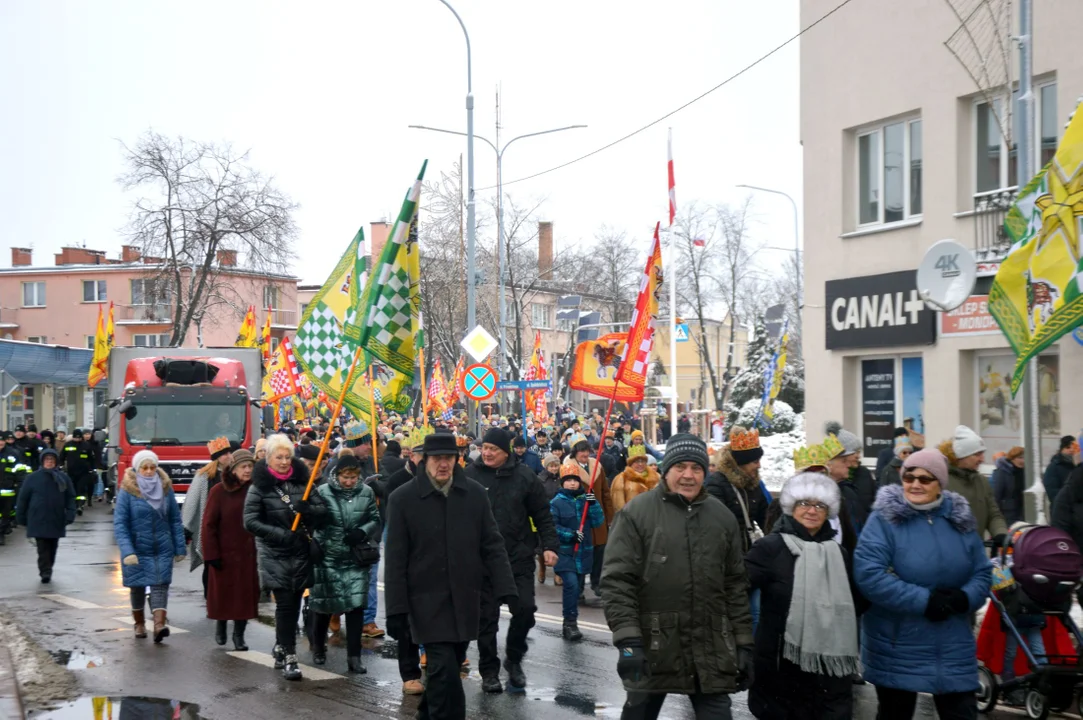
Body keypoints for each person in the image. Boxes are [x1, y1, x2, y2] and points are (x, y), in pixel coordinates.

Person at [601, 433, 754, 720]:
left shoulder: (721, 518)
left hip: (710, 647)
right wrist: (629, 642)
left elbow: (734, 585)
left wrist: (743, 641)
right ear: (666, 469)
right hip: (653, 644)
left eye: (696, 468)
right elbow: (617, 582)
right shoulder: (637, 514)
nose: (688, 475)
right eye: (680, 467)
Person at [384, 431, 518, 719]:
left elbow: (492, 544)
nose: (443, 464)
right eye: (437, 458)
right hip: (424, 601)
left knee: (447, 668)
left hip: (465, 598)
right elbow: (395, 560)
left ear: (457, 460)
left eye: (449, 458)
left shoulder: (473, 495)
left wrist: (506, 587)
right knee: (444, 668)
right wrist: (395, 610)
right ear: (424, 460)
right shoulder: (403, 499)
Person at [854, 448, 991, 720]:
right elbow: (870, 574)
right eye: (909, 476)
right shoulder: (883, 519)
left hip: (951, 640)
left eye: (925, 479)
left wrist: (964, 598)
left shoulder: (960, 519)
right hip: (898, 641)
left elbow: (983, 572)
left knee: (962, 712)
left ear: (940, 483)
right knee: (895, 713)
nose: (915, 484)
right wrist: (925, 601)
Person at [744, 472, 862, 719]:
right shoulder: (770, 548)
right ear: (791, 506)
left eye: (820, 505)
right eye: (804, 503)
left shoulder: (838, 554)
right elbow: (736, 591)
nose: (812, 511)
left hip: (829, 672)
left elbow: (854, 603)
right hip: (780, 670)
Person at [464, 427, 558, 693]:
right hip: (482, 560)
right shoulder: (470, 476)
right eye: (484, 448)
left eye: (493, 449)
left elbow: (542, 514)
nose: (487, 452)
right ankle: (489, 671)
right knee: (486, 620)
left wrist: (549, 545)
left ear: (506, 452)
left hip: (517, 556)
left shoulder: (525, 477)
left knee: (526, 611)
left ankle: (514, 660)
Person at [244, 433, 329, 680]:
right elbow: (250, 521)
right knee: (285, 604)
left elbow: (323, 512)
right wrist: (281, 535)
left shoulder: (304, 481)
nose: (283, 462)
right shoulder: (259, 487)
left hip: (302, 551)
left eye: (287, 457)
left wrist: (309, 510)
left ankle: (281, 645)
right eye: (278, 457)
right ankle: (291, 656)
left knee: (297, 601)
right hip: (275, 552)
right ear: (268, 459)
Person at [309, 453, 380, 674]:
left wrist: (362, 532)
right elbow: (314, 520)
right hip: (328, 557)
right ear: (337, 475)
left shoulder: (366, 493)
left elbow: (374, 518)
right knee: (323, 606)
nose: (348, 481)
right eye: (345, 477)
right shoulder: (323, 492)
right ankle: (319, 648)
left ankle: (354, 656)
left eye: (352, 477)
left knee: (356, 607)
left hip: (354, 558)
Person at [114, 450, 187, 643]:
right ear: (138, 469)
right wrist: (128, 551)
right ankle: (139, 623)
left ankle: (158, 625)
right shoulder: (127, 491)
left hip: (162, 546)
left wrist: (180, 548)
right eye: (144, 468)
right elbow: (120, 523)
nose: (148, 471)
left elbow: (174, 520)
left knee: (160, 585)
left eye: (152, 467)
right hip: (137, 548)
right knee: (137, 587)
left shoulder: (165, 488)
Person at [201, 448, 259, 651]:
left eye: (251, 466)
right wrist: (211, 554)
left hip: (248, 553)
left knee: (244, 597)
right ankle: (221, 625)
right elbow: (208, 525)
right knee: (224, 595)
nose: (248, 470)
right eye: (244, 466)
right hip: (224, 553)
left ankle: (239, 635)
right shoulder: (218, 491)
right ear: (233, 469)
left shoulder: (256, 490)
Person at [549, 469, 605, 641]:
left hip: (584, 552)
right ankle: (570, 623)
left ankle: (572, 619)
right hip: (565, 553)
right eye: (568, 480)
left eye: (575, 480)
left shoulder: (586, 500)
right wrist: (570, 534)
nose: (572, 483)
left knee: (577, 588)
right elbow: (552, 527)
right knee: (571, 585)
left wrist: (594, 504)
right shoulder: (556, 502)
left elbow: (597, 522)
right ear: (562, 482)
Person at [562, 439, 614, 605]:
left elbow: (605, 493)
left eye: (587, 451)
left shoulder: (597, 466)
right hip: (579, 519)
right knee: (581, 555)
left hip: (597, 518)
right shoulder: (569, 468)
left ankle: (596, 582)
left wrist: (610, 516)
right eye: (581, 452)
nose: (585, 455)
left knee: (600, 551)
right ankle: (578, 588)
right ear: (575, 453)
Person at [183, 436, 235, 598]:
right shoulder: (204, 476)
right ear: (216, 457)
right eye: (223, 453)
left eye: (229, 452)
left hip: (230, 526)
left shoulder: (236, 473)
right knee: (210, 562)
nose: (228, 456)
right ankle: (210, 595)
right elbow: (192, 502)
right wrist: (187, 527)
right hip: (210, 527)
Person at [939, 425, 1008, 545]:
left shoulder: (982, 482)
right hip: (950, 552)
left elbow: (993, 513)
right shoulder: (942, 481)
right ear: (961, 456)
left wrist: (1000, 533)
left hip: (976, 552)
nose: (982, 459)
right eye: (977, 454)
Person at [15, 448, 75, 581]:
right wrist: (20, 516)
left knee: (53, 546)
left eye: (52, 460)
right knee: (42, 548)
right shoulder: (32, 478)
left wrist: (71, 513)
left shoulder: (63, 478)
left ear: (56, 462)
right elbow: (23, 498)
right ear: (42, 461)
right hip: (38, 518)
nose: (49, 462)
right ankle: (45, 571)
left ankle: (49, 567)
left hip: (56, 518)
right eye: (47, 460)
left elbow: (70, 497)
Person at [705, 427, 768, 553]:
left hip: (748, 554)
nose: (759, 465)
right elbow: (714, 529)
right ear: (741, 462)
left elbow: (766, 519)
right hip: (726, 557)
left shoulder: (753, 484)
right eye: (755, 461)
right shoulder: (717, 485)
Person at [611, 445, 660, 513]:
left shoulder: (656, 477)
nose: (640, 464)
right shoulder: (622, 478)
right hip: (633, 519)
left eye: (642, 461)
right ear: (631, 464)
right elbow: (618, 505)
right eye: (637, 462)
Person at [59, 429, 96, 515]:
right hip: (71, 472)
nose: (77, 439)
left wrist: (92, 469)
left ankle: (80, 505)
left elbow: (91, 459)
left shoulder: (86, 446)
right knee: (73, 489)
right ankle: (75, 505)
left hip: (84, 472)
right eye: (75, 438)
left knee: (81, 489)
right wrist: (60, 465)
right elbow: (62, 456)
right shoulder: (68, 445)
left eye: (79, 438)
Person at [993, 446, 1027, 525]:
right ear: (1012, 458)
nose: (1023, 460)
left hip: (1023, 511)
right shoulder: (1002, 472)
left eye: (1024, 458)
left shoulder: (1026, 472)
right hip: (1008, 514)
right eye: (1020, 458)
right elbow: (996, 495)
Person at [1043, 435, 1078, 506]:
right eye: (1068, 447)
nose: (1071, 450)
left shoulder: (1078, 465)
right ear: (1062, 449)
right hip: (1062, 510)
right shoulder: (1054, 467)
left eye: (1073, 447)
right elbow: (1052, 492)